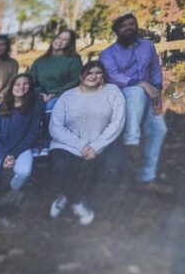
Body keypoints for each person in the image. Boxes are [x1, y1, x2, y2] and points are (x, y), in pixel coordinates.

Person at [99, 13, 171, 195]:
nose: (129, 28)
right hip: (123, 96)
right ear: (116, 31)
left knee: (159, 129)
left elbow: (155, 69)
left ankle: (146, 179)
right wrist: (141, 84)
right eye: (123, 26)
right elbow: (113, 75)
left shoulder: (148, 45)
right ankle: (131, 142)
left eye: (132, 24)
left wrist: (157, 95)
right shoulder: (107, 53)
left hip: (148, 96)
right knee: (136, 91)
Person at [48, 61, 125, 225]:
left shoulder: (112, 92)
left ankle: (66, 196)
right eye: (89, 73)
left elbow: (117, 122)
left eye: (98, 73)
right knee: (59, 167)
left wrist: (96, 146)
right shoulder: (67, 96)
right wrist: (81, 146)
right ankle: (77, 202)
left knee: (102, 170)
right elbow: (55, 127)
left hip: (98, 145)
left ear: (103, 76)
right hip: (68, 145)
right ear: (81, 76)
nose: (93, 76)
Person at [0, 74, 44, 205]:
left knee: (24, 172)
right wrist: (4, 156)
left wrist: (13, 155)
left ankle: (12, 190)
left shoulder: (35, 106)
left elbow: (33, 133)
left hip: (23, 148)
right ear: (12, 87)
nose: (21, 87)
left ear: (30, 87)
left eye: (25, 84)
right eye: (17, 84)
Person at [28, 29, 82, 153]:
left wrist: (55, 94)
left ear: (70, 43)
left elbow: (75, 81)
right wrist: (40, 93)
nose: (60, 41)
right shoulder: (40, 61)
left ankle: (48, 142)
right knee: (32, 106)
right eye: (58, 38)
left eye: (65, 40)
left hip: (62, 95)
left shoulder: (73, 59)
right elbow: (31, 80)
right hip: (41, 95)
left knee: (50, 106)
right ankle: (33, 144)